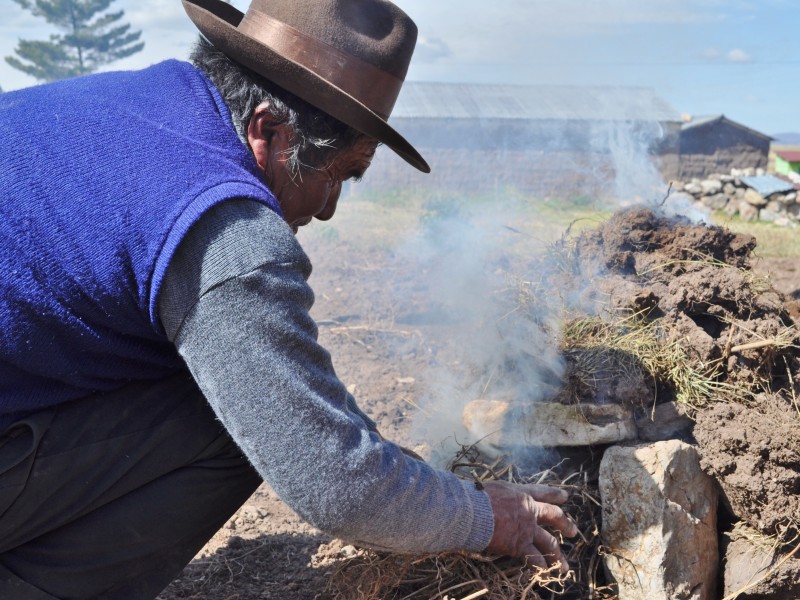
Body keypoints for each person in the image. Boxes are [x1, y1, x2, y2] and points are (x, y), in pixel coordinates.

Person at [0, 0, 578, 597]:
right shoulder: (226, 230)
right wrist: (489, 517)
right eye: (339, 173)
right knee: (240, 416)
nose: (327, 208)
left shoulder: (149, 100)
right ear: (269, 130)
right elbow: (334, 479)